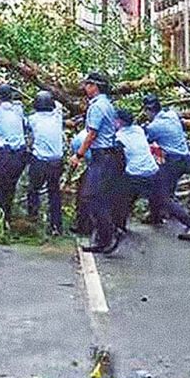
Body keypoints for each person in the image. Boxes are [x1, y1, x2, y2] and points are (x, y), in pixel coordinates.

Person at [117, 109, 190, 241]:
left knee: (123, 196)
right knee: (163, 198)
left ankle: (118, 226)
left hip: (136, 173)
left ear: (118, 122)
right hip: (152, 170)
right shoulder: (138, 130)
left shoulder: (120, 137)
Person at [72, 71, 123, 254]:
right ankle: (105, 236)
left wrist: (78, 155)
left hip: (102, 156)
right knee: (97, 197)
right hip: (106, 155)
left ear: (95, 86)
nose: (85, 88)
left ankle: (110, 233)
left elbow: (92, 134)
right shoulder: (106, 104)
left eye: (88, 84)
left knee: (91, 196)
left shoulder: (97, 106)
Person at [141, 94, 190, 226]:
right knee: (158, 185)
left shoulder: (155, 127)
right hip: (185, 159)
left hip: (173, 161)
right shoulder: (172, 115)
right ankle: (155, 216)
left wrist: (143, 128)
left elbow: (144, 140)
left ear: (148, 111)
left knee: (162, 195)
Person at [0, 83, 29, 222]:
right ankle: (7, 217)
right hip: (21, 154)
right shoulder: (19, 109)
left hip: (6, 154)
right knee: (11, 186)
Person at [24, 90, 66, 234]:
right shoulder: (58, 116)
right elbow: (59, 104)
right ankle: (56, 226)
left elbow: (25, 128)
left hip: (40, 162)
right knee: (54, 193)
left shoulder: (32, 119)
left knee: (33, 190)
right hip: (57, 162)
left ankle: (33, 219)